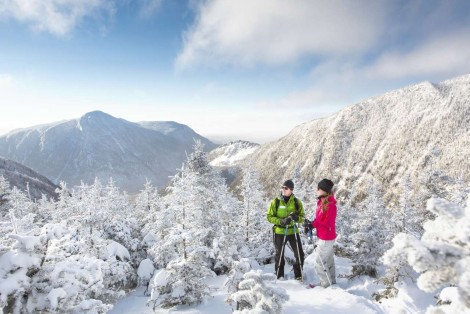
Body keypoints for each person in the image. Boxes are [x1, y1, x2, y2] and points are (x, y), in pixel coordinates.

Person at [266, 179, 305, 279]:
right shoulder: (276, 202)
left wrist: (297, 218)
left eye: (286, 188)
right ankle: (279, 276)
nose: (283, 189)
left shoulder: (296, 202)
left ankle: (298, 275)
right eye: (283, 187)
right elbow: (269, 217)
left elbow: (302, 218)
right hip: (279, 231)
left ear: (291, 190)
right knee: (279, 255)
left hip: (293, 231)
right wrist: (281, 221)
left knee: (300, 254)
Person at [304, 178, 337, 287]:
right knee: (328, 261)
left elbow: (327, 222)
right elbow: (320, 219)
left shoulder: (330, 205)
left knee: (319, 262)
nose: (316, 190)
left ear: (323, 190)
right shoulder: (321, 202)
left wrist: (313, 224)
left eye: (318, 188)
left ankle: (326, 285)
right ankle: (331, 282)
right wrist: (311, 224)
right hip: (324, 236)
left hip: (326, 238)